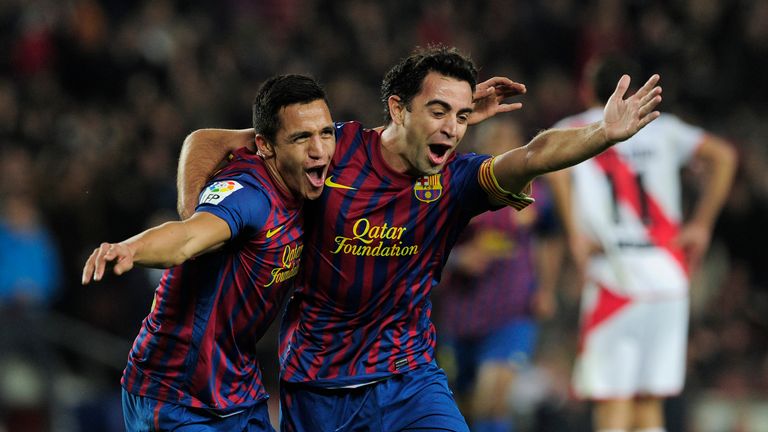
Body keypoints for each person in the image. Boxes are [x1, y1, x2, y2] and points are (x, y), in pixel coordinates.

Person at [178, 45, 662, 431]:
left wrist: (602, 133)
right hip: (318, 386)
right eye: (438, 111)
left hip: (409, 379)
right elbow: (209, 141)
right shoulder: (331, 146)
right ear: (397, 108)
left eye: (462, 115)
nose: (453, 128)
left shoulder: (457, 181)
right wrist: (193, 222)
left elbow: (534, 155)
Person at [81, 74, 336, 432]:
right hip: (176, 393)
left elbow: (205, 137)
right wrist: (132, 248)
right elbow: (187, 238)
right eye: (302, 138)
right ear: (264, 146)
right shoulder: (248, 194)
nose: (319, 149)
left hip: (238, 390)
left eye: (326, 133)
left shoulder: (308, 172)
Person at [547, 54, 737, 432]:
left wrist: (574, 234)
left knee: (613, 405)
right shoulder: (663, 129)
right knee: (650, 405)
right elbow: (726, 155)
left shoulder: (575, 129)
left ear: (586, 89)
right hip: (668, 274)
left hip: (614, 276)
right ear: (632, 89)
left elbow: (554, 174)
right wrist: (701, 224)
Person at [436, 118, 562, 432]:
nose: (503, 147)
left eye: (509, 140)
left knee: (493, 396)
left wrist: (546, 288)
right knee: (465, 403)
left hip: (513, 310)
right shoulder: (459, 191)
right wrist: (459, 259)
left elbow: (550, 237)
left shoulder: (535, 196)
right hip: (464, 313)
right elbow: (426, 245)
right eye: (495, 140)